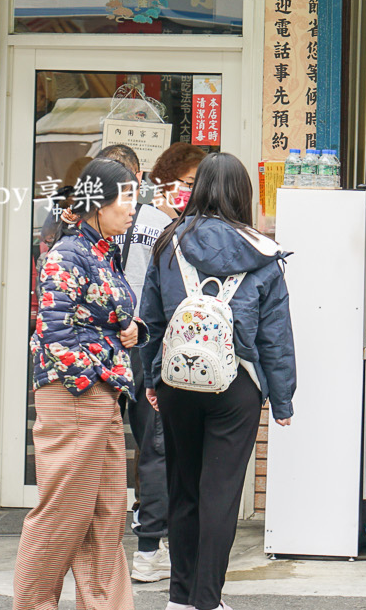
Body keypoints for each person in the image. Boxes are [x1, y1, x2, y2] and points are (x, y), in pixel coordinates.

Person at [138, 154, 296, 610]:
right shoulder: (262, 252)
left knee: (183, 488)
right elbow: (275, 336)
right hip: (237, 386)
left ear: (199, 188)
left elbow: (150, 319)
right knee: (221, 494)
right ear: (242, 195)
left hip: (177, 383)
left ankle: (179, 599)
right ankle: (208, 600)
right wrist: (282, 401)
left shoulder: (169, 244)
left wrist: (153, 378)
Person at [14, 159, 141, 610]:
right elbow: (52, 327)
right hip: (74, 394)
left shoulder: (103, 251)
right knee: (63, 514)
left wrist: (133, 330)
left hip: (99, 393)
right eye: (126, 198)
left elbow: (109, 315)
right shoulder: (69, 253)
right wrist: (90, 379)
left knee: (106, 515)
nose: (133, 207)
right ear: (99, 203)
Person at [123, 148, 178, 585]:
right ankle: (148, 551)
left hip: (103, 349)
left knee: (102, 449)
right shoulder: (162, 226)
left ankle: (99, 548)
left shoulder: (83, 230)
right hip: (145, 346)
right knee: (153, 447)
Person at [150, 144, 209, 218]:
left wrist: (174, 218)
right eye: (190, 183)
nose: (195, 189)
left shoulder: (201, 217)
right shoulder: (148, 213)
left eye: (200, 184)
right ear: (169, 180)